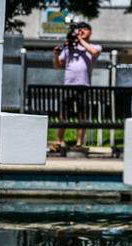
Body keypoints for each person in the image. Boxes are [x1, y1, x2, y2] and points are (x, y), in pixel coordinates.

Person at [52, 21, 102, 152]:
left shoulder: (94, 46)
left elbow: (95, 53)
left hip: (84, 86)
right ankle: (58, 142)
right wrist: (56, 54)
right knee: (63, 116)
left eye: (85, 29)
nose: (82, 31)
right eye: (80, 29)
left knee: (82, 116)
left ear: (90, 32)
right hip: (68, 85)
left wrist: (80, 40)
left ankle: (79, 144)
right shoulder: (69, 48)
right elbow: (57, 66)